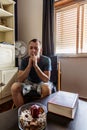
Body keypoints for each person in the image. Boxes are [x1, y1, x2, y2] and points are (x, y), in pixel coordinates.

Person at [11, 39, 53, 107]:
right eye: (31, 48)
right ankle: (23, 111)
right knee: (14, 87)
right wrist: (29, 66)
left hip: (41, 83)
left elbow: (46, 79)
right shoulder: (24, 61)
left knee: (46, 89)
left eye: (36, 48)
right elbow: (20, 80)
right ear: (28, 50)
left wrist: (36, 66)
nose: (33, 50)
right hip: (28, 82)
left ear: (40, 50)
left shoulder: (46, 60)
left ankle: (40, 112)